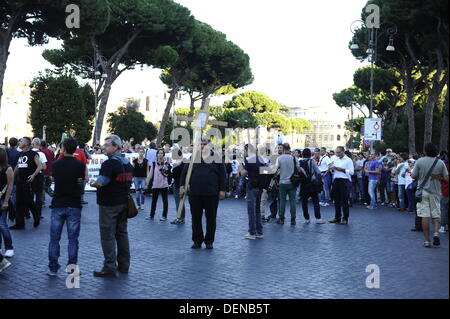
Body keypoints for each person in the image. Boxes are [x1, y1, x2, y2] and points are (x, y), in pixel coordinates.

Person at [89, 135, 133, 277]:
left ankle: (109, 267)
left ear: (115, 147)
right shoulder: (127, 163)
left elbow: (101, 182)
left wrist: (92, 183)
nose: (104, 147)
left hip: (109, 205)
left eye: (107, 145)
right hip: (123, 203)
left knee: (107, 236)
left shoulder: (109, 164)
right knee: (122, 234)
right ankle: (124, 265)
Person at [47, 137, 86, 277]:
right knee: (73, 239)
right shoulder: (80, 165)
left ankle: (52, 268)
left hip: (58, 204)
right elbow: (84, 179)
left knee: (54, 239)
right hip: (74, 204)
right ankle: (72, 268)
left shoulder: (56, 164)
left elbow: (52, 178)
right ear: (75, 149)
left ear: (63, 148)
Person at [180, 137, 226, 249]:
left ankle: (209, 241)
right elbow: (184, 173)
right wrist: (182, 186)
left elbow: (223, 175)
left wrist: (222, 190)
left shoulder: (216, 157)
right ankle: (197, 240)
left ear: (209, 145)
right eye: (200, 144)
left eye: (204, 144)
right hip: (195, 193)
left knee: (211, 218)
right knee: (196, 218)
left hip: (212, 193)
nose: (202, 146)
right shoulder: (193, 157)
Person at [411, 143, 449, 248]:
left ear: (425, 151)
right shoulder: (440, 162)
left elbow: (413, 176)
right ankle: (436, 233)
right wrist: (437, 177)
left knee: (425, 216)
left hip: (422, 191)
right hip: (436, 192)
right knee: (436, 214)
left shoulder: (419, 161)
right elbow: (446, 179)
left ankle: (427, 241)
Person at [10, 137, 42, 229]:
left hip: (28, 181)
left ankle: (36, 217)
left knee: (29, 201)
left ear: (27, 143)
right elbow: (17, 167)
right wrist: (11, 176)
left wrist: (33, 175)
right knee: (19, 202)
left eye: (21, 141)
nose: (19, 142)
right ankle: (20, 223)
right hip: (20, 181)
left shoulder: (33, 154)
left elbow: (40, 166)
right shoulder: (19, 154)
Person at [241, 144, 265, 239]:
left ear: (247, 150)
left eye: (244, 150)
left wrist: (240, 168)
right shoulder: (261, 159)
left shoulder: (250, 160)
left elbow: (243, 174)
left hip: (251, 186)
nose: (244, 152)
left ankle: (252, 232)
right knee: (257, 210)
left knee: (251, 210)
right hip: (260, 186)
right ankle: (259, 232)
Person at [299, 148, 326, 224]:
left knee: (304, 202)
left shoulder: (299, 162)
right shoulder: (312, 161)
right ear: (310, 154)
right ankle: (318, 218)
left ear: (302, 154)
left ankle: (306, 218)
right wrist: (320, 182)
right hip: (312, 184)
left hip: (303, 184)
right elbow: (318, 172)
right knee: (315, 201)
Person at [328, 146, 354, 225]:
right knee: (336, 200)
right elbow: (332, 170)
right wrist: (331, 168)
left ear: (343, 152)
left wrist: (342, 169)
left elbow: (352, 172)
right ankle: (337, 217)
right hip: (336, 180)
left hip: (344, 180)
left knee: (344, 200)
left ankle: (345, 218)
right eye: (336, 152)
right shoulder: (335, 159)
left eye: (339, 152)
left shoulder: (348, 160)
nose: (337, 154)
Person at [275, 143, 298, 225]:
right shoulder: (294, 158)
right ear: (290, 148)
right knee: (292, 201)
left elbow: (275, 169)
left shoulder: (279, 158)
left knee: (282, 201)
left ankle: (281, 219)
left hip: (282, 182)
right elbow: (298, 169)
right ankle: (293, 219)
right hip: (292, 182)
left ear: (283, 149)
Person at [146, 149, 171, 221]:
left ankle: (164, 216)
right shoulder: (154, 164)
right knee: (154, 201)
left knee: (165, 201)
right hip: (155, 185)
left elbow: (167, 174)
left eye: (161, 153)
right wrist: (147, 182)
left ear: (163, 155)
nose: (160, 155)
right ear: (156, 155)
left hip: (164, 185)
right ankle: (151, 215)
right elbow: (150, 175)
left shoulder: (166, 164)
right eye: (159, 153)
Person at [0, 148, 14, 257]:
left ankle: (9, 247)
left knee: (2, 224)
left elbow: (10, 185)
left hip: (2, 199)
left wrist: (6, 201)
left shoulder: (7, 168)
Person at [31, 138, 47, 217]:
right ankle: (38, 214)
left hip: (29, 175)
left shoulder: (28, 153)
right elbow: (44, 167)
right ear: (39, 144)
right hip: (38, 176)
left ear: (32, 144)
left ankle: (27, 213)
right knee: (38, 195)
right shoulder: (42, 154)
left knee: (29, 195)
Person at [170, 146, 186, 225]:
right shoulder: (184, 162)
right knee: (181, 203)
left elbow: (173, 175)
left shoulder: (176, 164)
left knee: (178, 202)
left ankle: (180, 218)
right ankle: (181, 218)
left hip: (177, 185)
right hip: (183, 185)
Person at [40, 140, 55, 205]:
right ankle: (54, 196)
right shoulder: (51, 152)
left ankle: (42, 201)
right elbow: (53, 161)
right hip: (50, 171)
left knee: (42, 187)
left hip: (43, 171)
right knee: (47, 186)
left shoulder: (41, 152)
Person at [439, 151, 448, 233]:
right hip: (445, 190)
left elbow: (444, 178)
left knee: (444, 209)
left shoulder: (444, 165)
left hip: (445, 190)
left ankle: (443, 226)